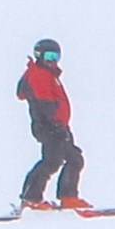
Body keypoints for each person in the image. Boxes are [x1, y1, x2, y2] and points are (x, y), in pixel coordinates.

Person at [16, 39, 90, 210]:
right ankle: (35, 198)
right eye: (49, 56)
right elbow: (46, 104)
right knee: (61, 160)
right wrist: (56, 125)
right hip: (49, 127)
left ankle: (64, 196)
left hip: (55, 126)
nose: (53, 60)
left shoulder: (48, 75)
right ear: (39, 56)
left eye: (56, 56)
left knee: (61, 159)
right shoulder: (39, 75)